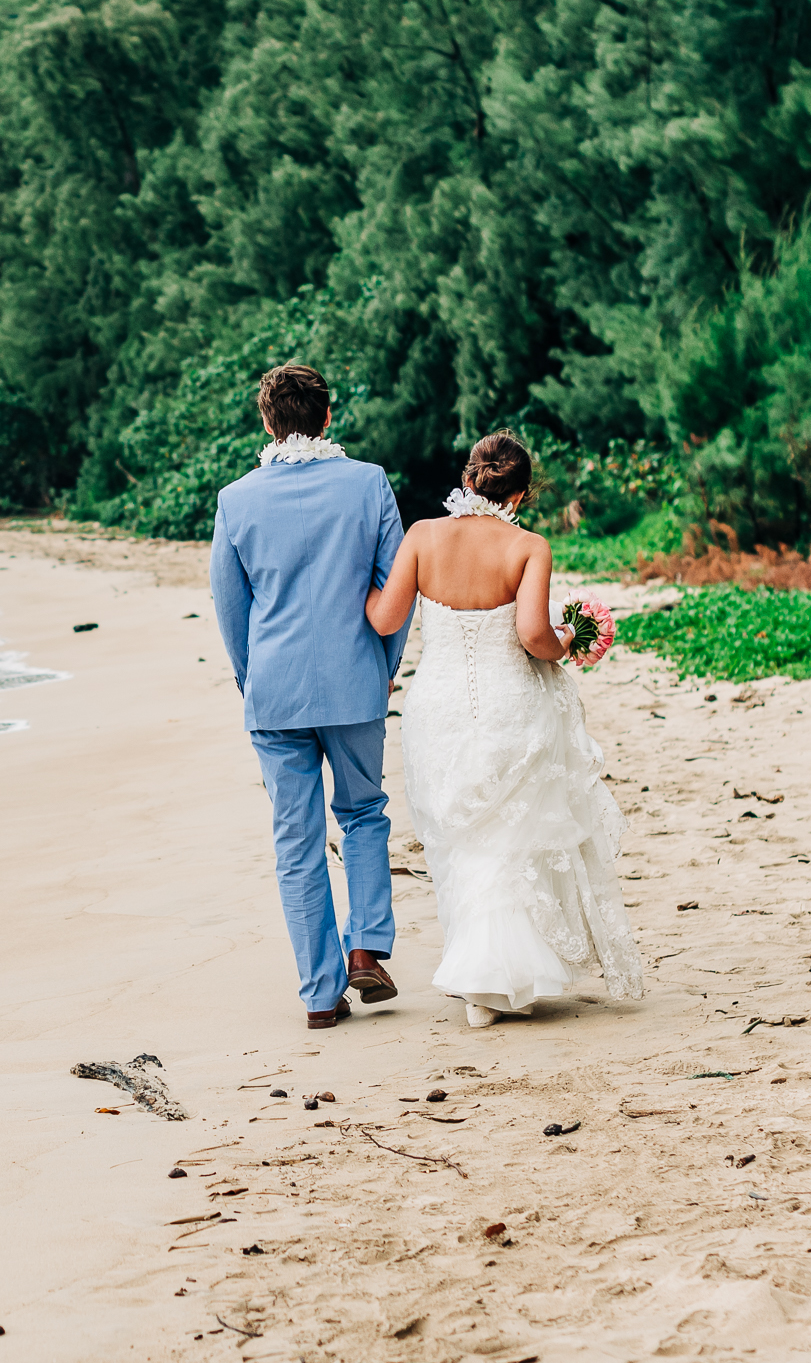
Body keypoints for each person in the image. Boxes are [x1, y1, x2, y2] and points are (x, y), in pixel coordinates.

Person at [365, 432, 644, 1026]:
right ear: (519, 494)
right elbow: (534, 639)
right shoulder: (529, 547)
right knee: (505, 841)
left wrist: (346, 587)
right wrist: (569, 639)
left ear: (468, 480)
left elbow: (386, 617)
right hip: (508, 703)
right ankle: (495, 980)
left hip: (436, 707)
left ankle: (481, 981)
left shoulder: (421, 536)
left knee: (459, 838)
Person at [210, 365, 412, 1029]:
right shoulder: (368, 484)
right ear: (328, 418)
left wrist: (252, 680)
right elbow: (395, 590)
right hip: (355, 682)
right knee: (363, 815)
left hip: (274, 693)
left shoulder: (236, 500)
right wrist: (382, 665)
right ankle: (365, 946)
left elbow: (230, 608)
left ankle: (320, 997)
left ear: (267, 423)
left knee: (295, 842)